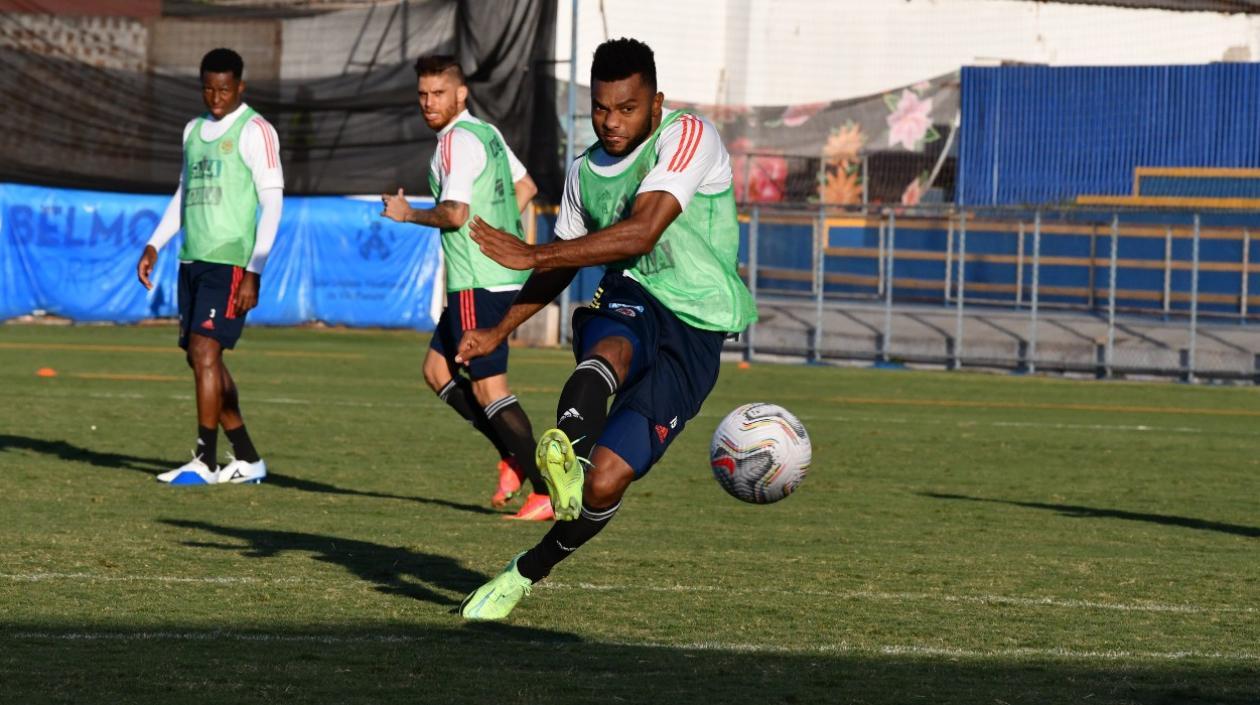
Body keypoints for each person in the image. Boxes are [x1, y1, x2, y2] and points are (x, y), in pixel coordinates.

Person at [453, 37, 757, 619]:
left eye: (627, 108)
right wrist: (498, 331)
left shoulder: (688, 136)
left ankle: (523, 572)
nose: (611, 122)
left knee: (606, 484)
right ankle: (565, 454)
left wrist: (533, 253)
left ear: (656, 103)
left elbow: (644, 230)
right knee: (610, 348)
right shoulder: (583, 173)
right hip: (632, 294)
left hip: (697, 328)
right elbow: (562, 267)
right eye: (600, 108)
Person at [380, 55, 552, 520]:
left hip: (479, 282)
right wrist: (497, 230)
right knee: (437, 370)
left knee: (490, 391)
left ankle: (546, 490)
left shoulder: (456, 141)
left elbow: (455, 214)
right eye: (422, 94)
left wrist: (407, 214)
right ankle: (513, 455)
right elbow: (526, 187)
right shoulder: (486, 133)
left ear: (461, 94)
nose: (428, 102)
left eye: (438, 93)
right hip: (490, 278)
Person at [137, 48, 283, 485]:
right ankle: (248, 458)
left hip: (230, 261)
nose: (216, 98)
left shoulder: (256, 130)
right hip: (191, 259)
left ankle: (205, 460)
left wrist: (254, 270)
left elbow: (272, 202)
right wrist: (154, 244)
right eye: (208, 89)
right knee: (204, 360)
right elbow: (184, 193)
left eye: (224, 89)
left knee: (204, 353)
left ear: (240, 87)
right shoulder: (193, 130)